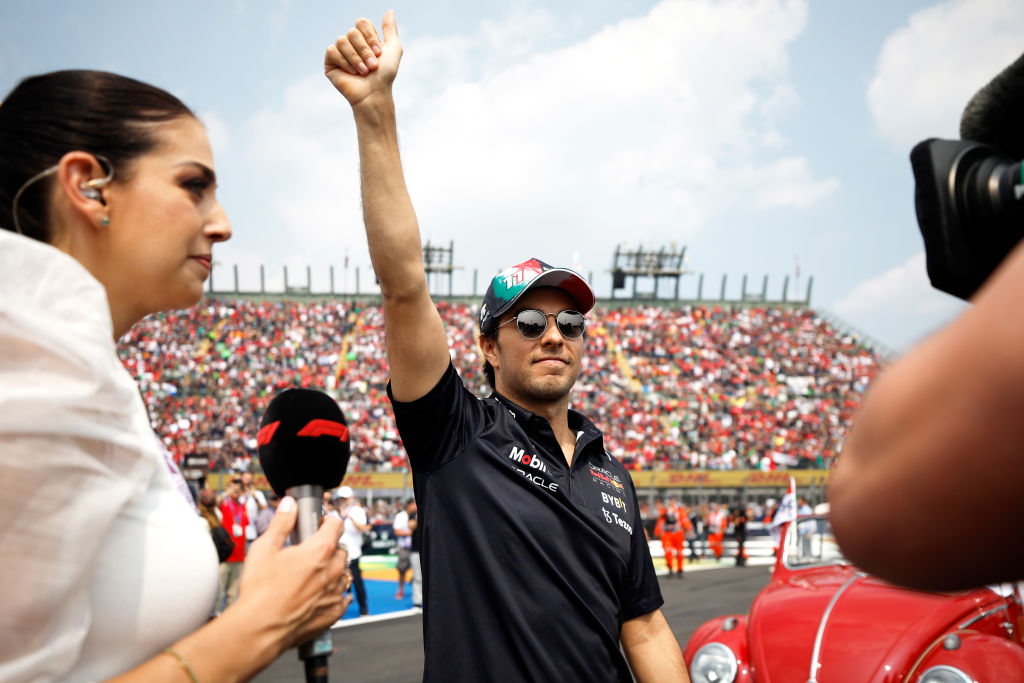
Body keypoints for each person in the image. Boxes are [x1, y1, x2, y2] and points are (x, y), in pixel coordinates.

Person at [325, 13, 688, 681]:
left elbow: (644, 625)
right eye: (529, 322)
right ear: (489, 346)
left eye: (570, 323)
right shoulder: (454, 434)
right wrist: (375, 110)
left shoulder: (611, 474)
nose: (553, 334)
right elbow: (405, 286)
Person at [0, 69, 351, 681]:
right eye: (193, 185)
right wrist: (262, 621)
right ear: (90, 187)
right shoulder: (33, 368)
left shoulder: (75, 360)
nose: (223, 224)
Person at [337, 485, 371, 616]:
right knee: (337, 583)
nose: (343, 500)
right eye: (341, 498)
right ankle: (337, 609)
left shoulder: (357, 510)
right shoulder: (335, 511)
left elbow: (363, 528)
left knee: (357, 581)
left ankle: (363, 608)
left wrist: (349, 517)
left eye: (345, 498)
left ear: (351, 498)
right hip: (338, 552)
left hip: (353, 552)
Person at [657, 496, 690, 578]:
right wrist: (658, 531)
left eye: (671, 500)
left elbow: (684, 519)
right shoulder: (664, 509)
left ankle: (679, 569)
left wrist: (688, 529)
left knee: (679, 552)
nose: (670, 502)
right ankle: (670, 568)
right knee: (668, 551)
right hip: (667, 533)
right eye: (668, 500)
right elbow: (661, 520)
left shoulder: (679, 510)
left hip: (678, 533)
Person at [392, 498, 415, 599]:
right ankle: (400, 590)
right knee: (402, 570)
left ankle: (419, 589)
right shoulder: (401, 516)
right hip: (405, 547)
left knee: (419, 570)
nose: (416, 507)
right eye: (413, 504)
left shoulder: (420, 514)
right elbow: (397, 531)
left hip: (416, 548)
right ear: (408, 505)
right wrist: (409, 533)